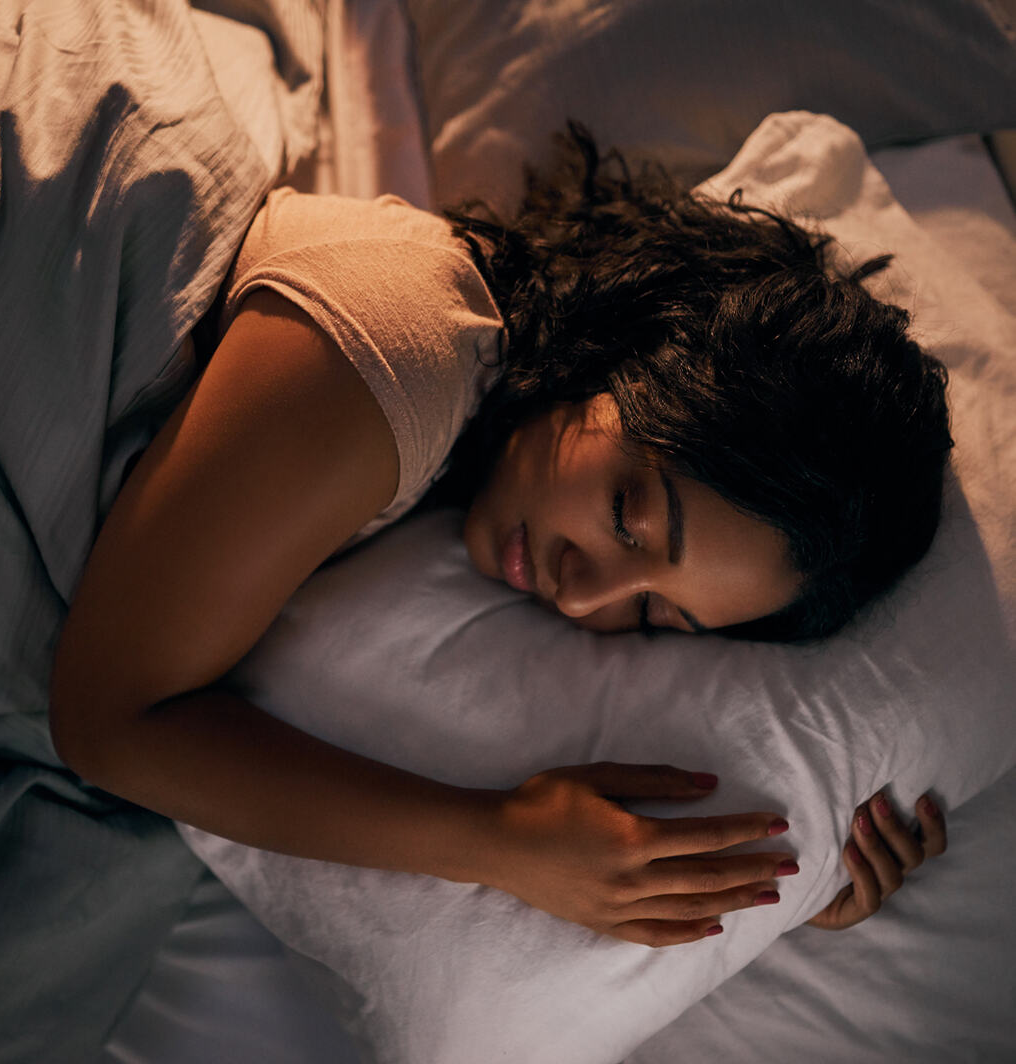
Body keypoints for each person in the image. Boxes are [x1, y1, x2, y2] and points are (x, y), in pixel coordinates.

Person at [49, 127, 951, 947]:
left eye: (652, 615)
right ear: (624, 351)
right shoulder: (405, 349)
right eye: (629, 515)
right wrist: (498, 841)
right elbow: (108, 726)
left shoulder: (466, 443)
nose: (583, 591)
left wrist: (795, 887)